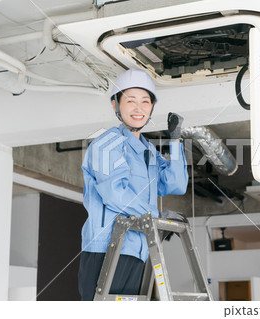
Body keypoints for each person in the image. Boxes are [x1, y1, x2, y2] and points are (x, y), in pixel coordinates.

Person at [78, 69, 188, 301]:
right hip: (106, 248)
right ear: (115, 104)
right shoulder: (106, 145)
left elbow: (175, 184)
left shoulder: (147, 151)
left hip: (140, 249)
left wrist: (175, 141)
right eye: (131, 101)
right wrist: (156, 216)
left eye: (145, 102)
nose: (139, 109)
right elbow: (115, 193)